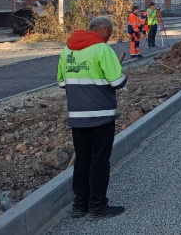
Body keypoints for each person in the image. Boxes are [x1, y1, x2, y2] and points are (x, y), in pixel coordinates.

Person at [57, 16, 127, 220]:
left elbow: (62, 83)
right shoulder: (102, 49)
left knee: (82, 161)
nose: (110, 37)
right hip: (101, 115)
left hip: (77, 115)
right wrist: (122, 79)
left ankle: (80, 206)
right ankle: (97, 206)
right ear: (105, 29)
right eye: (110, 32)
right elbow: (118, 82)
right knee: (99, 161)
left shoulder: (67, 50)